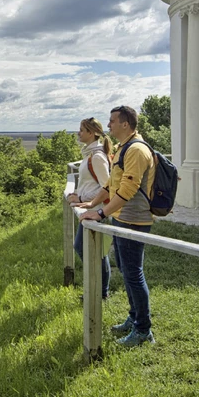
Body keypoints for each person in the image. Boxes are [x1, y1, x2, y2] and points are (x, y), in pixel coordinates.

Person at [79, 105, 155, 347]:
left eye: (112, 121)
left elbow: (128, 189)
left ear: (125, 124)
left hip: (134, 219)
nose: (108, 126)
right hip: (122, 217)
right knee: (126, 269)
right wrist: (92, 203)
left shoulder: (137, 150)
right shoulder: (124, 147)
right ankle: (134, 318)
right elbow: (111, 184)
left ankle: (143, 330)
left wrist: (100, 213)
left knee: (134, 274)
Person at [66, 118, 113, 299]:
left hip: (97, 211)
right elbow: (89, 183)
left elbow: (106, 186)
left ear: (92, 133)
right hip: (88, 210)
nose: (78, 133)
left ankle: (100, 292)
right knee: (91, 250)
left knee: (94, 251)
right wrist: (78, 196)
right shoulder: (90, 154)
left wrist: (87, 201)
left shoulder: (98, 157)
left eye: (82, 130)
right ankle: (97, 290)